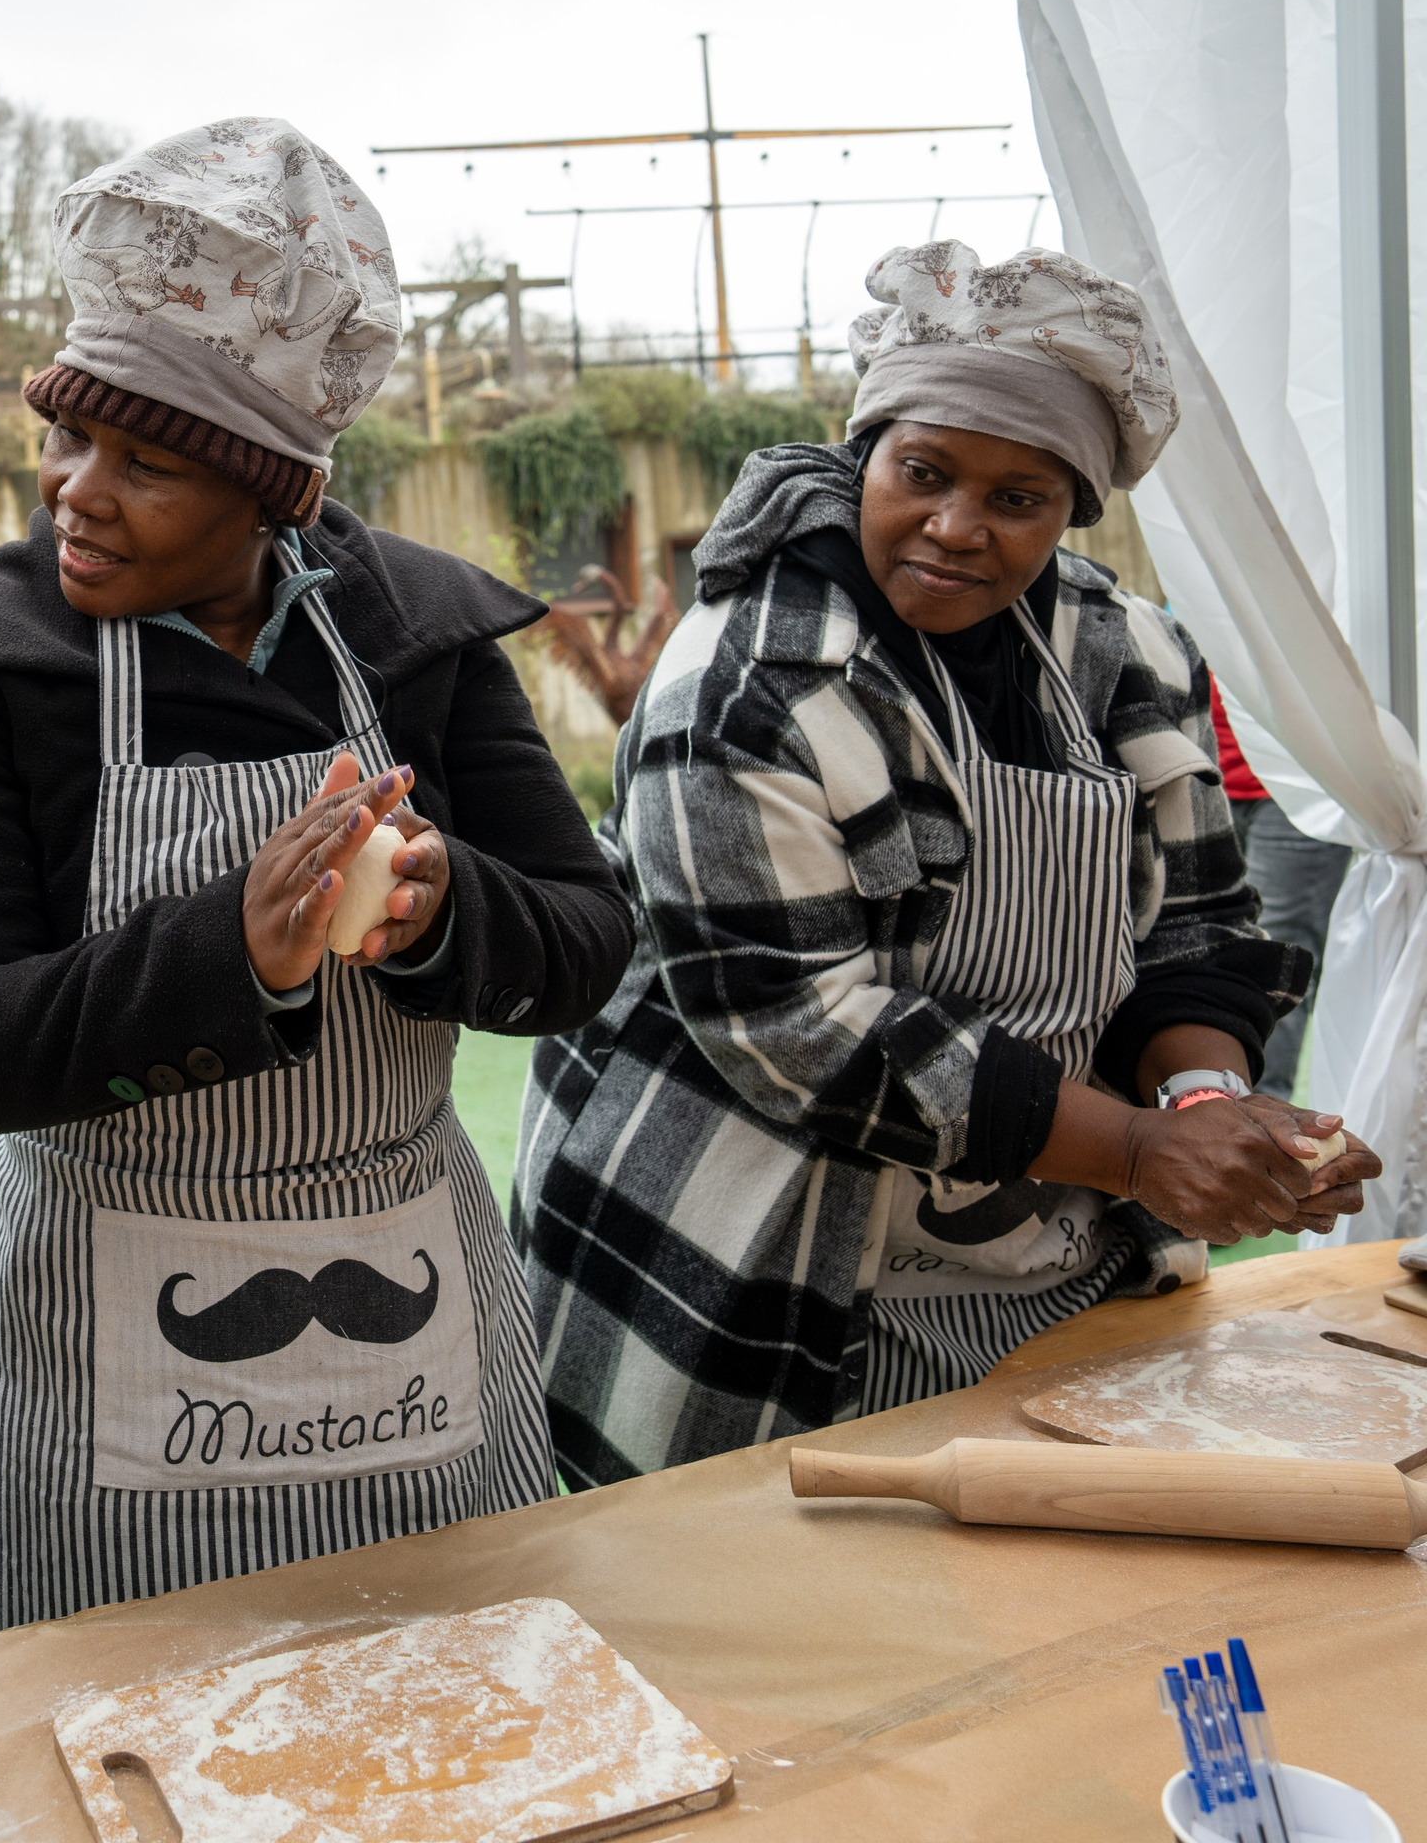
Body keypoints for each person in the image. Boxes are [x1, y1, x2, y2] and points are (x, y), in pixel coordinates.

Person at [0, 119, 635, 1639]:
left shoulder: (419, 634)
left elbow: (591, 940)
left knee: (450, 1708)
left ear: (271, 489)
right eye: (69, 436)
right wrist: (230, 953)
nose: (77, 491)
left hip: (408, 1318)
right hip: (97, 1342)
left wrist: (441, 907)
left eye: (145, 463)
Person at [512, 242, 1379, 1489]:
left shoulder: (1121, 646)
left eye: (1019, 498)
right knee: (765, 1597)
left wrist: (1204, 1107)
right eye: (922, 474)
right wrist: (1138, 1153)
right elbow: (800, 1027)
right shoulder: (747, 678)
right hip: (761, 1244)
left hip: (1044, 1241)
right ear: (864, 449)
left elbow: (1194, 921)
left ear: (1073, 509)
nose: (957, 528)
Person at [1209, 679, 1349, 1099]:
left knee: (1280, 960)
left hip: (1297, 787)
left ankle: (1266, 1114)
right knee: (1203, 951)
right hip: (1205, 774)